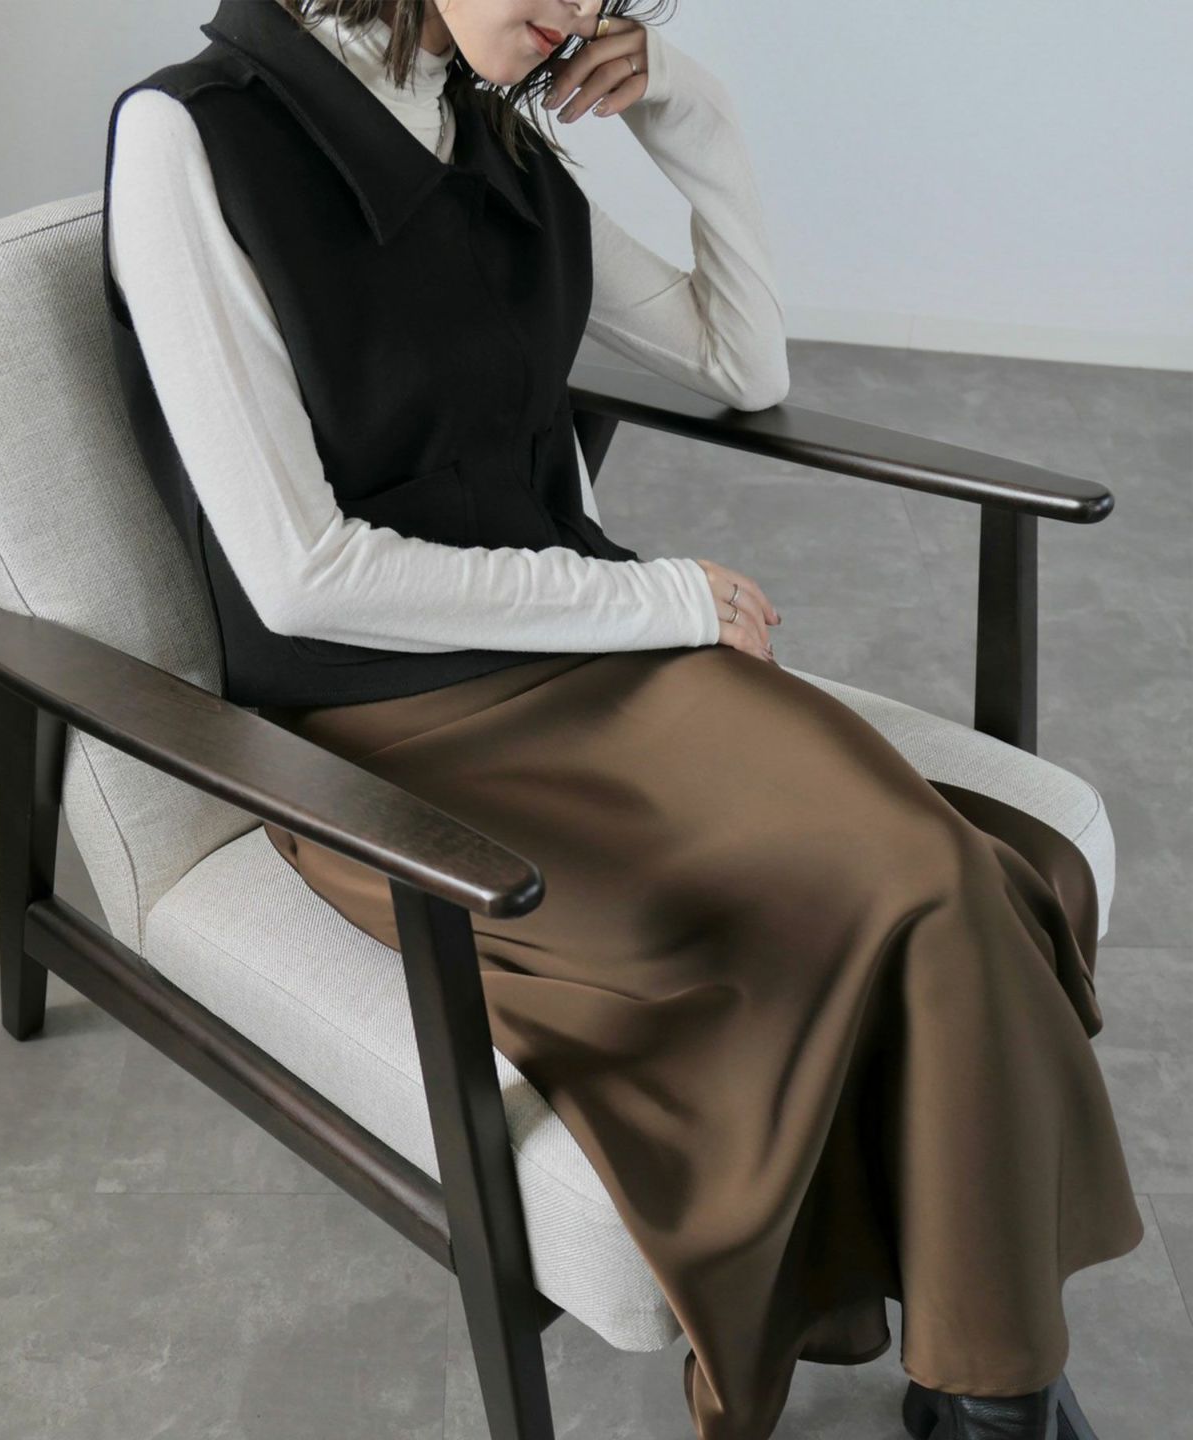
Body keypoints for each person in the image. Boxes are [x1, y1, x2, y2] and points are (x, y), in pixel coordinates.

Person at [101, 2, 1145, 1437]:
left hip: (600, 669)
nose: (575, 12)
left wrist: (689, 109)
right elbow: (300, 575)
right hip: (386, 730)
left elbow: (745, 366)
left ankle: (986, 1390)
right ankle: (1001, 1395)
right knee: (857, 908)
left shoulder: (490, 138)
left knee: (951, 883)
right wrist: (657, 598)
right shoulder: (194, 136)